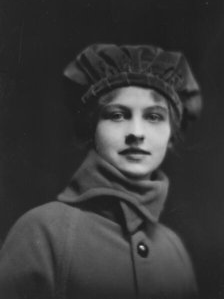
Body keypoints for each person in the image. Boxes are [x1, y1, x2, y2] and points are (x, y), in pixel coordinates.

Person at [0, 44, 202, 299]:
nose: (136, 133)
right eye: (117, 115)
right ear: (92, 129)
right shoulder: (42, 232)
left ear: (171, 135)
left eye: (153, 116)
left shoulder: (175, 251)